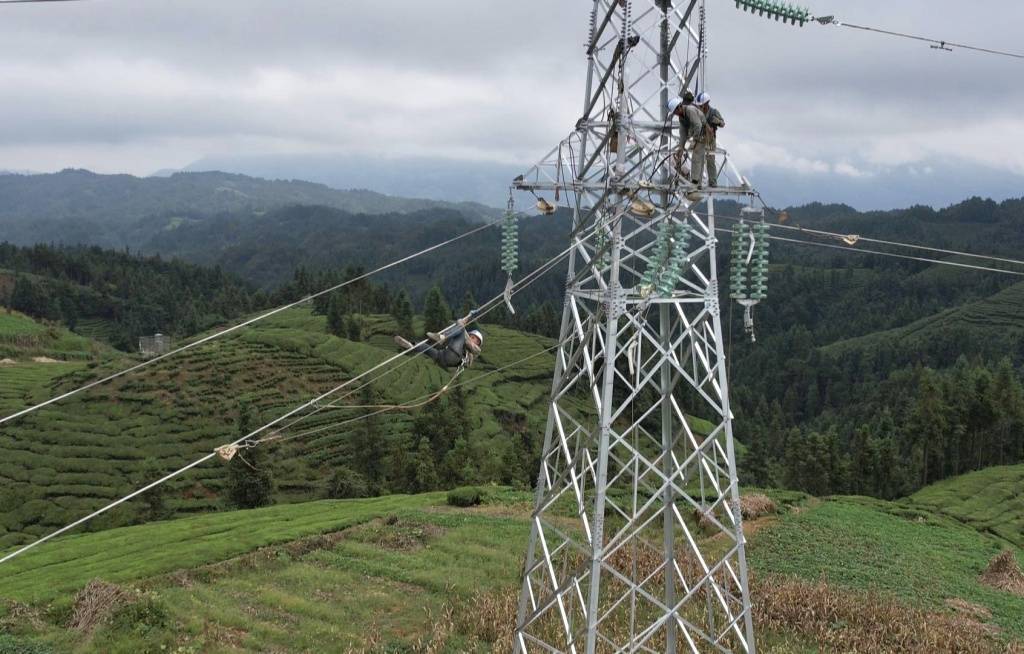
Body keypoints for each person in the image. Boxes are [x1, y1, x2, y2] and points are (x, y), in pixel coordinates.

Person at [394, 315, 483, 369]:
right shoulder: (464, 340)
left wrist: (462, 322)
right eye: (472, 336)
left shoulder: (475, 350)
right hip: (442, 356)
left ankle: (442, 337)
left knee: (461, 330)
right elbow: (461, 326)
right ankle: (411, 346)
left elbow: (462, 328)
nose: (472, 339)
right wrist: (467, 318)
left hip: (453, 356)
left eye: (475, 339)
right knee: (425, 347)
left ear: (478, 344)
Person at [667, 91, 704, 180]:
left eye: (675, 112)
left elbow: (698, 126)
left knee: (697, 156)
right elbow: (683, 133)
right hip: (694, 134)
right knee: (678, 154)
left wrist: (694, 140)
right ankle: (684, 174)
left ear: (678, 107)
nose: (675, 114)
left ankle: (696, 181)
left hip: (703, 134)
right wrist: (681, 147)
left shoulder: (690, 110)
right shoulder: (681, 117)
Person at [692, 92, 725, 187]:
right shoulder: (697, 112)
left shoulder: (714, 112)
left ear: (707, 103)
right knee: (700, 161)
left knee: (710, 161)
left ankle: (713, 182)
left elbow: (723, 124)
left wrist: (717, 121)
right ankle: (698, 183)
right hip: (700, 139)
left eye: (702, 105)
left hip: (710, 140)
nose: (701, 107)